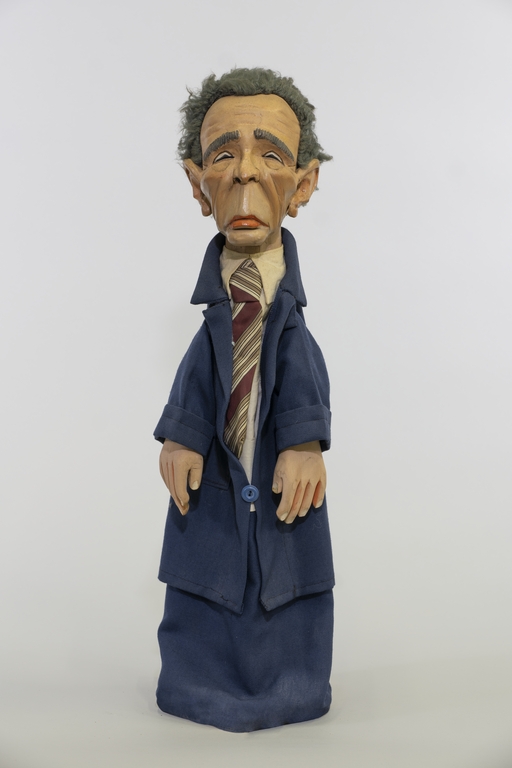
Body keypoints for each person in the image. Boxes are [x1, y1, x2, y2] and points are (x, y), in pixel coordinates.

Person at [153, 68, 335, 732]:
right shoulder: (214, 316)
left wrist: (305, 442)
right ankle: (198, 681)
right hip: (215, 481)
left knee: (286, 583)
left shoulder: (289, 318)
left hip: (281, 480)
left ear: (304, 183)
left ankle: (292, 682)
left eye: (272, 156)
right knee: (206, 578)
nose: (246, 173)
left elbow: (303, 370)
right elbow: (199, 376)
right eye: (224, 154)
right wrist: (181, 436)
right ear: (197, 182)